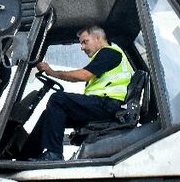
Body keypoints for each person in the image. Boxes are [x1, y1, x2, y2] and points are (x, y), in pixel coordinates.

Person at [20, 26, 133, 161]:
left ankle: (54, 154)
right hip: (102, 105)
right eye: (81, 43)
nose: (82, 47)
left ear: (98, 38)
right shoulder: (105, 56)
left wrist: (52, 72)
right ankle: (25, 156)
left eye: (85, 42)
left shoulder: (109, 53)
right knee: (49, 114)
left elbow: (83, 75)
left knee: (58, 99)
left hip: (108, 105)